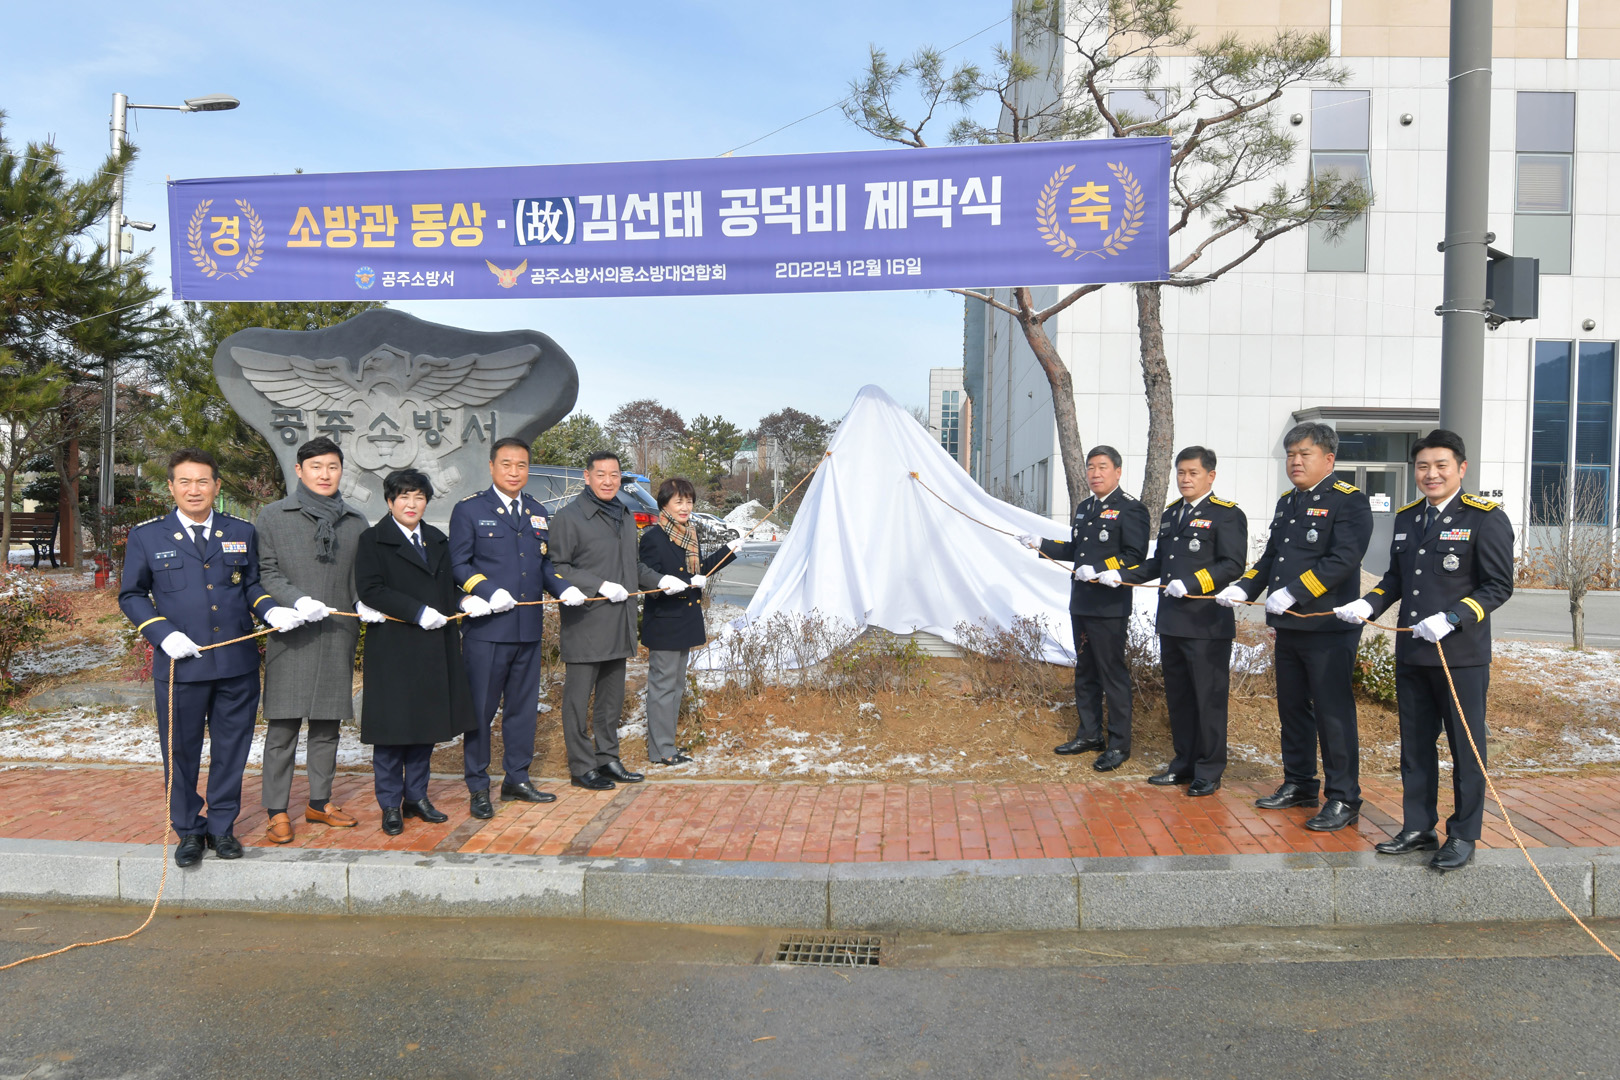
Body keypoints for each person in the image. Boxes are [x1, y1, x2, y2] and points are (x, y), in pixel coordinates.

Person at [1335, 429, 1514, 872]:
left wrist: (1453, 617)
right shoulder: (1409, 517)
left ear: (1461, 469)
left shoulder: (1485, 518)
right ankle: (1418, 827)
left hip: (1460, 657)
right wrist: (1368, 603)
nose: (1431, 474)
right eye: (1422, 466)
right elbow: (1397, 579)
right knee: (1415, 747)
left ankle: (1464, 834)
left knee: (1465, 749)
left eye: (1440, 466)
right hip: (1414, 652)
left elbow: (1498, 586)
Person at [119, 449, 301, 866]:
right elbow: (132, 595)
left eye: (203, 481)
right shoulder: (148, 536)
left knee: (231, 751)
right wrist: (162, 634)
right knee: (180, 753)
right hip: (181, 666)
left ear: (217, 486)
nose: (194, 489)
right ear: (171, 487)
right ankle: (188, 830)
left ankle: (221, 827)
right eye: (185, 481)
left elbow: (251, 585)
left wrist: (271, 611)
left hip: (235, 664)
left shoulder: (241, 531)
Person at [1218, 422, 1372, 832]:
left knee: (1332, 714)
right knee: (1292, 708)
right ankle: (1301, 782)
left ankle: (1343, 797)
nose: (1296, 461)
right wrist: (1245, 587)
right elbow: (1272, 557)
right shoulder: (1289, 502)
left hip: (1326, 628)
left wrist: (1295, 593)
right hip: (1288, 627)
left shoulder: (1349, 501)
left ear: (1329, 459)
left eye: (1305, 454)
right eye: (1290, 454)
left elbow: (1343, 560)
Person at [450, 437, 587, 818]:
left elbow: (543, 564)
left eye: (522, 465)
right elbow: (459, 564)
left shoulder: (537, 511)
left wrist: (563, 588)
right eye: (507, 464)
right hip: (487, 630)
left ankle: (517, 778)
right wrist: (487, 591)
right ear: (492, 466)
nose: (514, 472)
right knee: (481, 711)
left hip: (527, 628)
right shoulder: (470, 509)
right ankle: (478, 786)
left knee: (523, 710)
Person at [253, 437, 368, 844]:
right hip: (291, 633)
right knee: (282, 727)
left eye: (332, 467)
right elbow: (266, 572)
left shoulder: (355, 521)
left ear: (341, 472)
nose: (325, 474)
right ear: (299, 471)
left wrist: (363, 601)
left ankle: (320, 802)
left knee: (327, 726)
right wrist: (297, 600)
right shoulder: (273, 516)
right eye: (316, 466)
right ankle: (277, 810)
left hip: (337, 633)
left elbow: (359, 578)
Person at [352, 469, 477, 836]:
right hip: (393, 647)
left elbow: (446, 588)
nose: (411, 504)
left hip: (433, 647)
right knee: (393, 730)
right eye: (404, 497)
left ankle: (417, 796)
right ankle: (390, 803)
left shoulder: (436, 539)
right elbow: (371, 589)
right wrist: (417, 611)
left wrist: (464, 600)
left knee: (425, 727)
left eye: (418, 497)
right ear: (390, 502)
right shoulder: (373, 540)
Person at [1118, 447, 1247, 795]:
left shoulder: (1226, 514)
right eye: (1181, 473)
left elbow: (1233, 565)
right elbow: (1159, 563)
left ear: (1210, 476)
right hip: (1172, 622)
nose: (1185, 479)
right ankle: (1184, 763)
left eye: (1193, 473)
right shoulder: (1173, 513)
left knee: (1208, 699)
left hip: (1206, 625)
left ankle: (1209, 769)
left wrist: (1191, 583)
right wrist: (1120, 575)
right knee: (1180, 698)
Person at [1017, 445, 1150, 771]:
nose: (1095, 473)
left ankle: (1119, 744)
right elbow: (1077, 549)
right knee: (1086, 671)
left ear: (1117, 471)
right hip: (1082, 602)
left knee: (1112, 674)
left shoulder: (1131, 509)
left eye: (1102, 467)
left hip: (1110, 606)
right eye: (1090, 467)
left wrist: (1103, 569)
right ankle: (1090, 734)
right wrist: (1041, 544)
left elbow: (1135, 556)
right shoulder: (1085, 508)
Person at [548, 451, 667, 790]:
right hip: (586, 621)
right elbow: (557, 567)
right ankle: (581, 766)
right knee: (577, 700)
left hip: (620, 620)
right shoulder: (569, 517)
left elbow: (632, 565)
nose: (608, 481)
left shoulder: (625, 515)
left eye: (614, 474)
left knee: (611, 699)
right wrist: (598, 585)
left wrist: (660, 580)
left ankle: (607, 758)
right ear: (587, 477)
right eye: (600, 474)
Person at [638, 478, 743, 765]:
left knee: (675, 687)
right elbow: (648, 577)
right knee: (662, 688)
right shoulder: (653, 537)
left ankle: (666, 744)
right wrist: (671, 582)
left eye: (689, 501)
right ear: (664, 505)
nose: (685, 507)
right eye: (679, 502)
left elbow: (699, 572)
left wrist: (728, 551)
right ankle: (661, 750)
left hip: (683, 620)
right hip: (664, 622)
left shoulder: (688, 534)